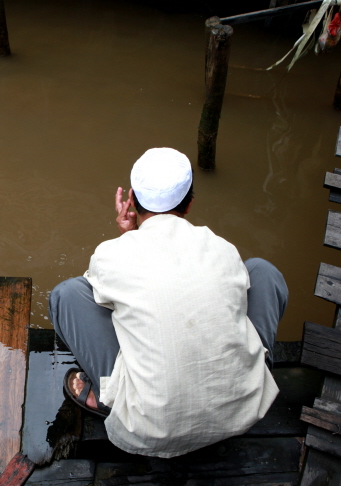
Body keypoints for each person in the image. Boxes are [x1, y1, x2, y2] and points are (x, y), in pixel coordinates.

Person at [48, 147, 288, 458]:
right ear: (189, 204)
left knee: (68, 294)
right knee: (262, 272)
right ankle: (254, 375)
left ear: (132, 201)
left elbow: (102, 303)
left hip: (150, 428)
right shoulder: (222, 248)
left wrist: (128, 237)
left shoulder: (112, 254)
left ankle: (107, 397)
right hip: (245, 410)